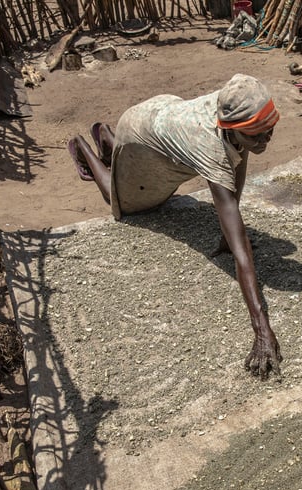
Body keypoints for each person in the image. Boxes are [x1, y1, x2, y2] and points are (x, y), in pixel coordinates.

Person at [67, 73, 281, 379]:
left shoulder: (234, 108)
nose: (265, 139)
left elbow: (236, 168)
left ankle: (107, 139)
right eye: (256, 135)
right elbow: (240, 242)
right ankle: (87, 151)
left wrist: (227, 235)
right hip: (139, 131)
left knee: (160, 177)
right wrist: (262, 330)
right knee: (129, 204)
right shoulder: (208, 144)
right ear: (232, 129)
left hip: (162, 114)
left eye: (268, 129)